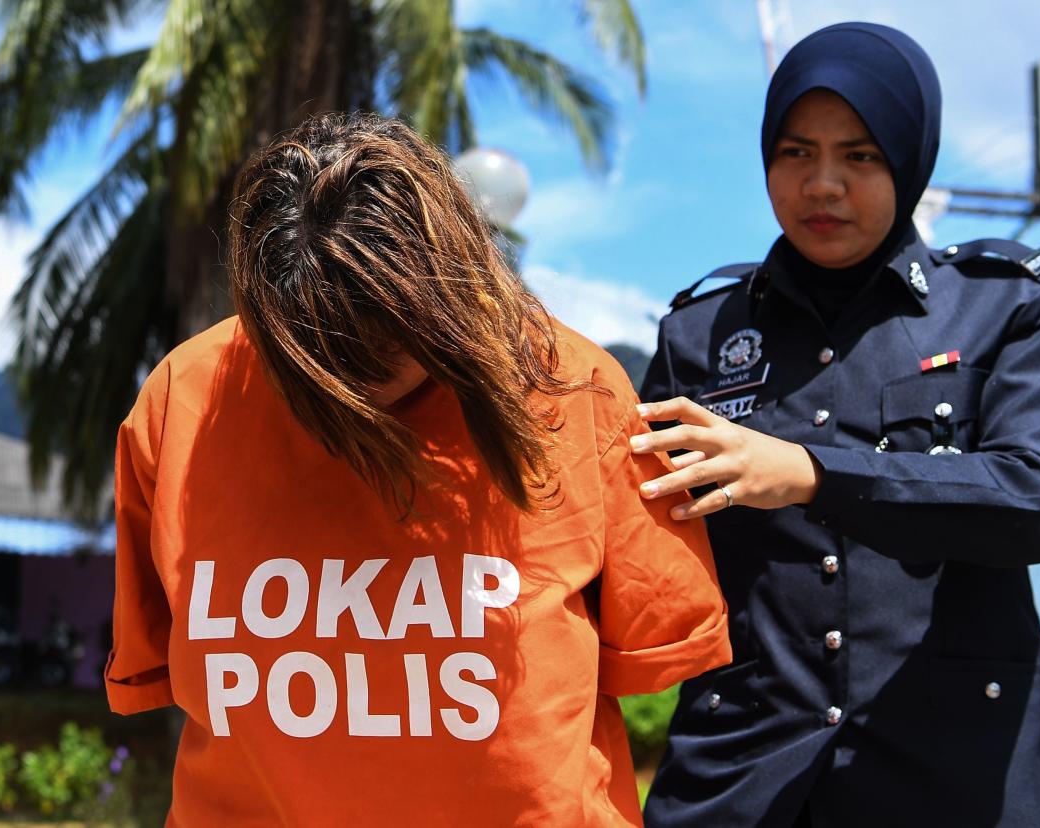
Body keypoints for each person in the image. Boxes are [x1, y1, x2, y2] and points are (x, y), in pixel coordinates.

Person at [104, 112, 731, 827]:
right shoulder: (186, 398)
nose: (353, 372)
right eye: (317, 345)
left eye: (380, 337)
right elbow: (156, 653)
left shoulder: (573, 388)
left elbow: (656, 647)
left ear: (444, 288)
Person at [635, 22, 1040, 828]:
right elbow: (639, 552)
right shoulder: (697, 336)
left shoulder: (1015, 304)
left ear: (910, 158)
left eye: (860, 156)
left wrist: (813, 475)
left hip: (965, 779)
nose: (822, 185)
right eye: (794, 152)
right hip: (742, 782)